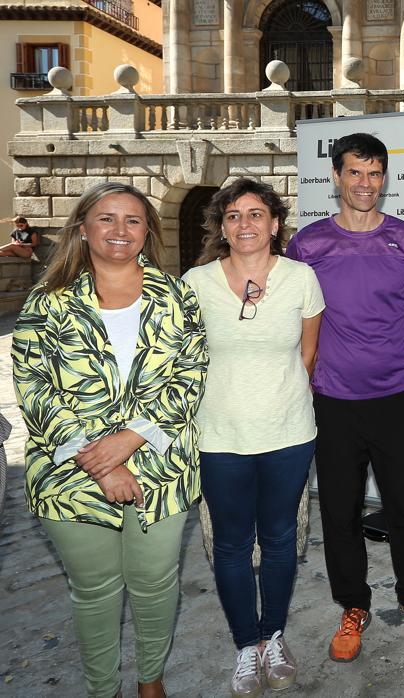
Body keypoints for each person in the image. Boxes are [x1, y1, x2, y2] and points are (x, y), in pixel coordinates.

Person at [12, 181, 207, 698]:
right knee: (94, 592)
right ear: (83, 227)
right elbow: (33, 387)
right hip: (69, 474)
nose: (120, 230)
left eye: (133, 220)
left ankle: (150, 681)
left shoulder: (177, 294)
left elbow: (191, 374)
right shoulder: (47, 301)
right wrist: (101, 461)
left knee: (155, 585)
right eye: (107, 219)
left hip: (160, 469)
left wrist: (130, 440)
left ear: (148, 231)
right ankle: (104, 690)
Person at [285, 132, 404, 661]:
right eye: (355, 172)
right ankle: (353, 605)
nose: (366, 183)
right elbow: (298, 317)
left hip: (395, 397)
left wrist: (400, 357)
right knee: (341, 511)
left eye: (375, 173)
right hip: (332, 401)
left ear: (384, 178)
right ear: (335, 176)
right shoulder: (308, 245)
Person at [182, 178, 324, 697]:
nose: (246, 223)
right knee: (233, 543)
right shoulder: (195, 283)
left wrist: (278, 399)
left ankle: (274, 635)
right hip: (219, 435)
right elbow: (184, 358)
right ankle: (247, 645)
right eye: (235, 215)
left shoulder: (302, 277)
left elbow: (307, 356)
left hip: (288, 432)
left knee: (282, 537)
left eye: (256, 213)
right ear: (222, 226)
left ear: (275, 223)